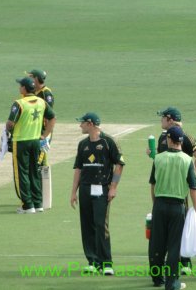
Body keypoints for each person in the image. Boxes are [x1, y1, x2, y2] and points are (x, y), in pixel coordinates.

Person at [148, 107, 196, 275]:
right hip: (173, 191)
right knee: (176, 229)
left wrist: (188, 178)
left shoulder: (184, 137)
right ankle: (176, 267)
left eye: (162, 118)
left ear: (170, 119)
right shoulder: (164, 138)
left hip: (168, 194)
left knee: (175, 231)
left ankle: (183, 263)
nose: (160, 121)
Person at [70, 112, 125, 275]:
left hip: (102, 188)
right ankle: (93, 261)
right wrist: (74, 192)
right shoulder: (82, 144)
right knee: (87, 225)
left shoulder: (109, 142)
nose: (80, 126)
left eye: (82, 123)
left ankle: (106, 262)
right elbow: (78, 168)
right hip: (85, 189)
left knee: (101, 224)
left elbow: (119, 165)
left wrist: (113, 187)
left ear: (90, 124)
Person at [6, 77, 55, 214]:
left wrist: (8, 130)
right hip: (36, 141)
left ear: (24, 89)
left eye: (20, 86)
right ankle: (38, 203)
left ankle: (27, 205)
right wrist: (45, 135)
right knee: (34, 170)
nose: (19, 88)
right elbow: (52, 118)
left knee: (21, 173)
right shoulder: (42, 102)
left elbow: (10, 123)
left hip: (21, 142)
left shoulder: (19, 103)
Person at [28, 69, 54, 166]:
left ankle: (43, 180)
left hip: (43, 130)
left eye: (31, 77)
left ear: (36, 79)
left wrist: (46, 134)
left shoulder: (46, 93)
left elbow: (49, 115)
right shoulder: (34, 91)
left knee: (41, 160)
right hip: (36, 129)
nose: (29, 79)